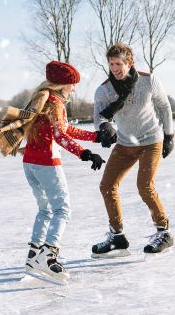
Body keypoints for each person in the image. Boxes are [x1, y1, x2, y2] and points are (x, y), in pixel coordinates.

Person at [20, 61, 106, 282]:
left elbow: (65, 129)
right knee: (63, 210)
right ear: (60, 84)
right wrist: (85, 153)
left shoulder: (40, 99)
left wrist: (95, 137)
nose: (74, 89)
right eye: (72, 84)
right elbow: (60, 136)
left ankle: (33, 256)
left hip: (30, 162)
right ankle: (48, 256)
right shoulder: (55, 103)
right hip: (47, 163)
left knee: (46, 210)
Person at [91, 43, 175, 259]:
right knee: (107, 186)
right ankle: (118, 237)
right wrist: (104, 126)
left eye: (118, 64)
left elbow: (164, 107)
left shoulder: (149, 81)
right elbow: (99, 116)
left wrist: (169, 136)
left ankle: (164, 233)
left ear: (129, 63)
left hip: (151, 141)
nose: (114, 68)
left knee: (145, 186)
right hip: (125, 144)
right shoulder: (105, 89)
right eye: (111, 64)